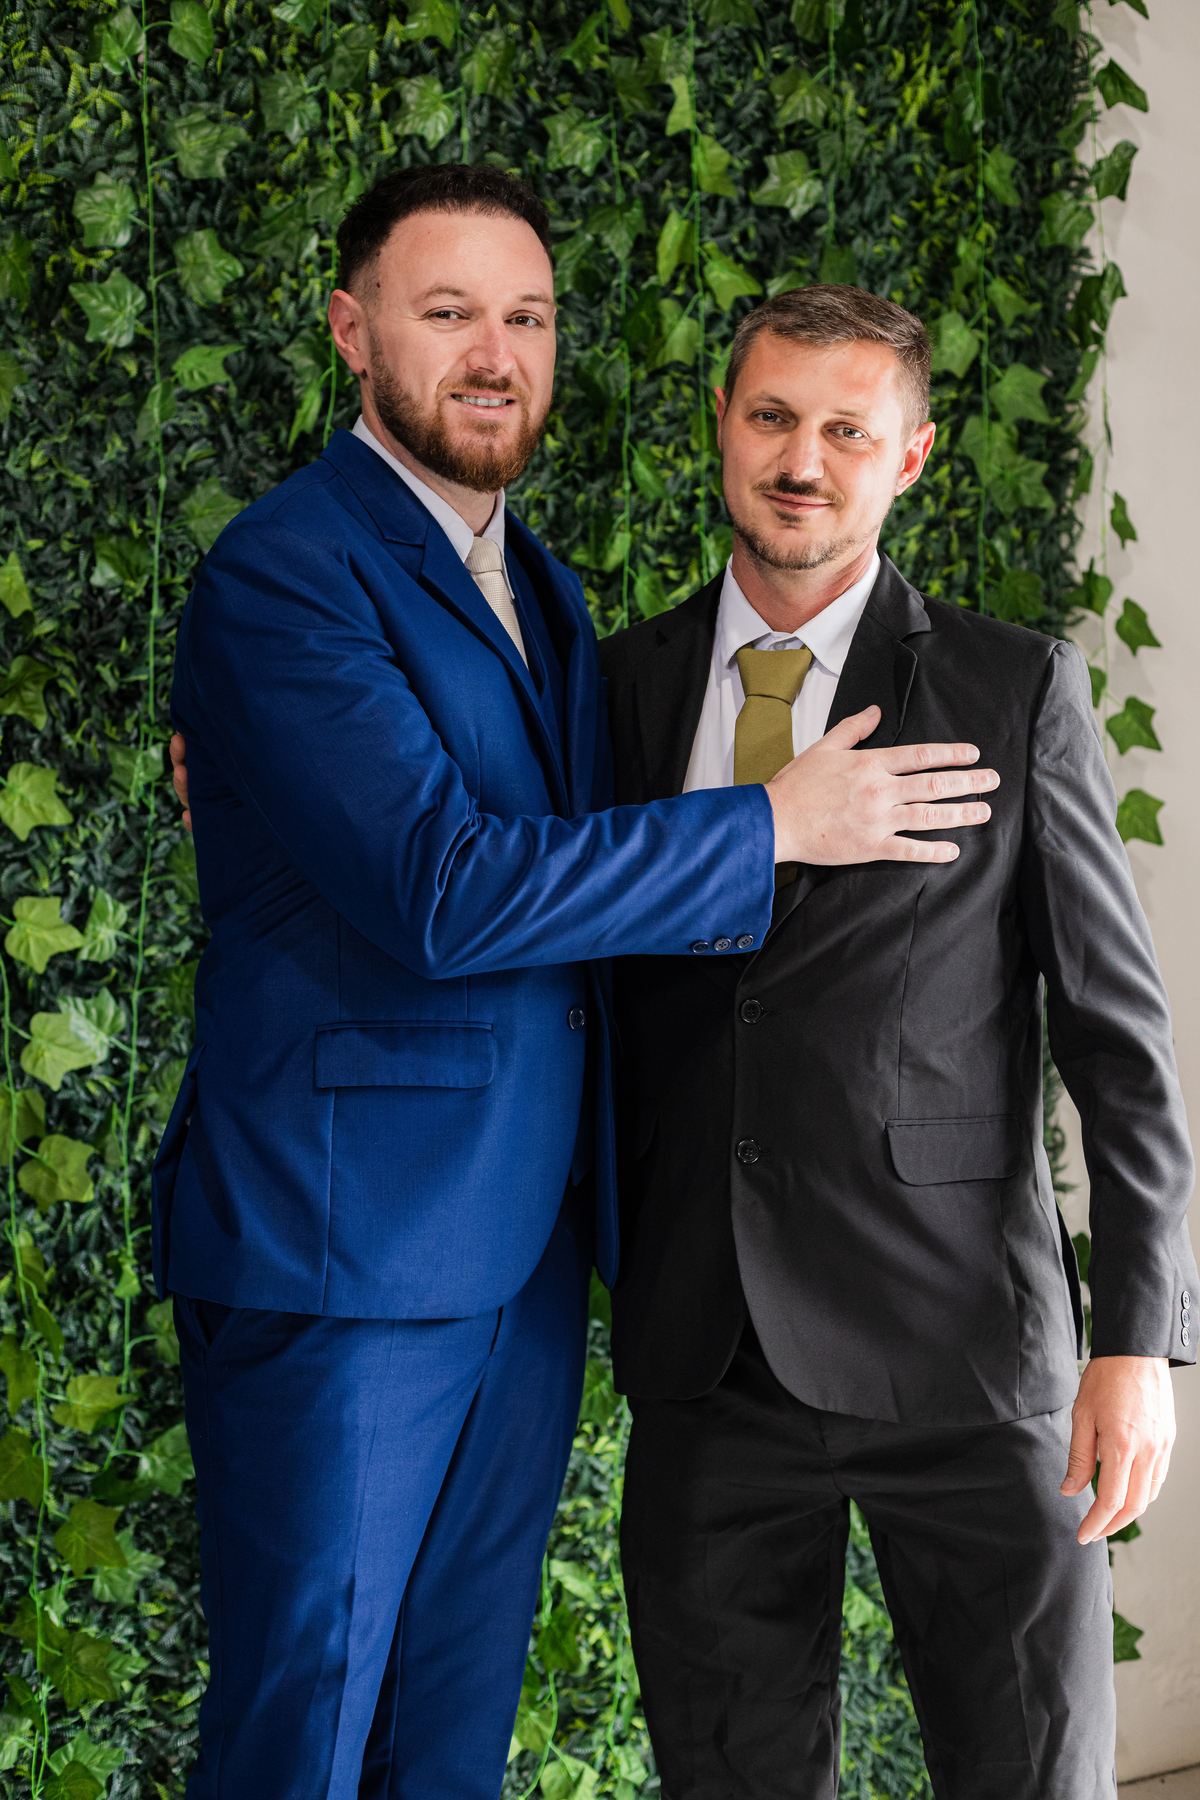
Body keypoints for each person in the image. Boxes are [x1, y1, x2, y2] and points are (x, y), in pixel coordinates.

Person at [155, 170, 1000, 1800]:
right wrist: (770, 824)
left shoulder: (540, 588)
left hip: (528, 1259)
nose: (496, 354)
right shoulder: (286, 569)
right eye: (448, 312)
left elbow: (564, 879)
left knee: (450, 1730)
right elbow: (443, 889)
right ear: (353, 331)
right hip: (345, 1253)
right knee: (304, 1729)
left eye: (527, 318)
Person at [599, 285, 1197, 1800]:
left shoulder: (1011, 687)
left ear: (911, 457)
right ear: (725, 427)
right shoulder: (614, 690)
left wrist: (1138, 1340)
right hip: (705, 1358)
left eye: (847, 431)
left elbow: (1119, 1042)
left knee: (1032, 1776)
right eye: (771, 417)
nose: (802, 460)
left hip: (966, 1357)